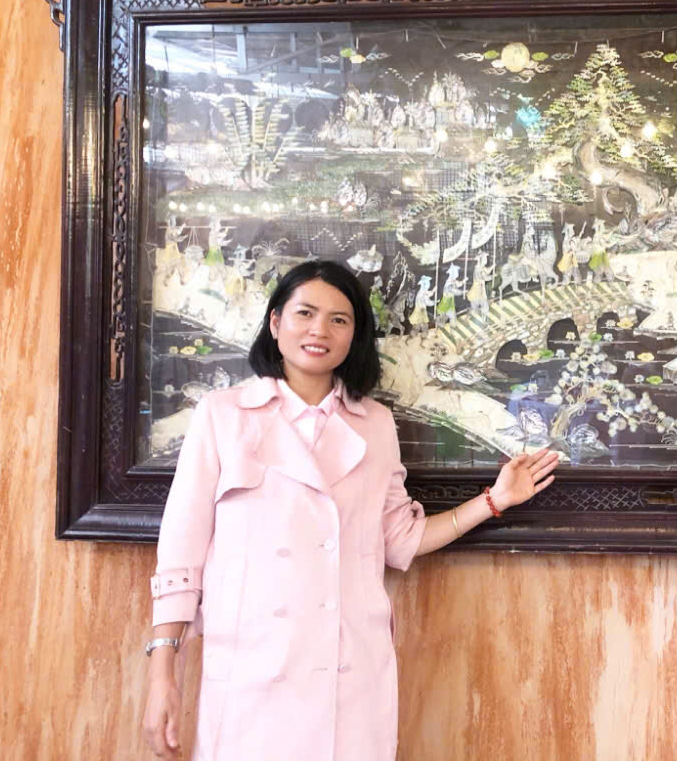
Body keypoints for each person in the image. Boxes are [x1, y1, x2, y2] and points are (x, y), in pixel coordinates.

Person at [142, 260, 557, 761]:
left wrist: (495, 500)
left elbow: (400, 539)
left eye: (339, 319)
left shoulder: (374, 423)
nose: (319, 330)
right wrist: (162, 672)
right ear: (275, 322)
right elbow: (181, 552)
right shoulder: (223, 415)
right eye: (305, 313)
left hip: (349, 671)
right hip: (252, 670)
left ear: (354, 336)